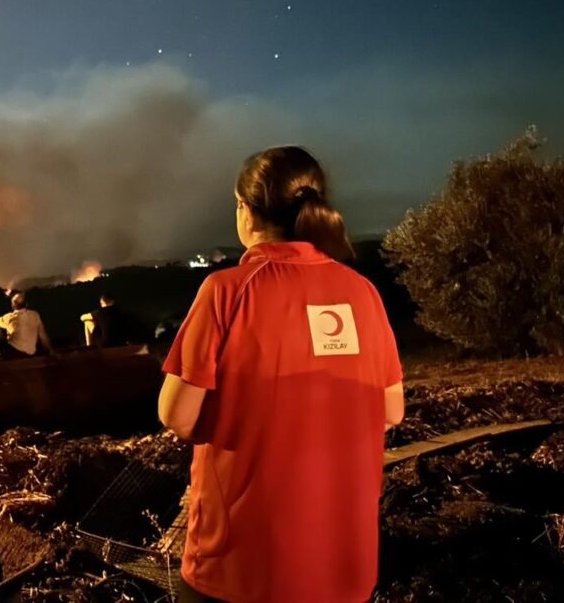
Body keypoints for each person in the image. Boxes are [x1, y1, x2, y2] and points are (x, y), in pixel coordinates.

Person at [158, 146, 405, 603]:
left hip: (239, 569)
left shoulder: (226, 291)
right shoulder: (363, 292)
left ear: (247, 212)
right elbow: (391, 410)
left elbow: (176, 415)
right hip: (345, 569)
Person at [0, 292, 53, 358]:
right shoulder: (35, 315)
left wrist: (9, 333)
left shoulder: (10, 317)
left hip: (14, 352)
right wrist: (50, 350)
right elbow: (43, 336)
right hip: (30, 353)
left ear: (12, 306)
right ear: (26, 304)